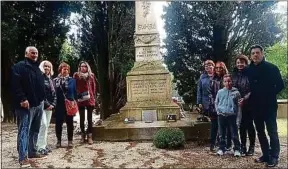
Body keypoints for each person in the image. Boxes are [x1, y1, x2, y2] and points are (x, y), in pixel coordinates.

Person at [245, 45, 284, 167]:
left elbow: (280, 85)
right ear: (250, 56)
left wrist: (267, 94)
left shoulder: (272, 68)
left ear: (262, 54)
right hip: (255, 107)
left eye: (257, 53)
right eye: (253, 53)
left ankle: (274, 156)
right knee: (260, 132)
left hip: (269, 106)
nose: (255, 55)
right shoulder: (248, 69)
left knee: (272, 131)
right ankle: (266, 154)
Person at [11, 46, 46, 167]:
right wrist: (22, 99)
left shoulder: (37, 68)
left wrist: (43, 100)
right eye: (32, 53)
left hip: (38, 104)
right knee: (24, 131)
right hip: (25, 105)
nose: (35, 55)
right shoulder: (19, 67)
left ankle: (32, 152)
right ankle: (23, 158)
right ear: (26, 53)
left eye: (36, 53)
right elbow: (15, 85)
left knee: (35, 130)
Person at [232, 55, 256, 157]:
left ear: (246, 63)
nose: (240, 64)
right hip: (238, 104)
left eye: (242, 62)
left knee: (250, 125)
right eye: (238, 62)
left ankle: (252, 146)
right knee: (241, 126)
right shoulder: (234, 75)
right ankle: (242, 146)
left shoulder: (250, 74)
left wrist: (245, 99)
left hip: (249, 103)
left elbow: (253, 89)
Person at [215, 74, 242, 157]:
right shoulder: (220, 92)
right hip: (221, 115)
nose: (227, 83)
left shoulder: (236, 92)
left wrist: (238, 119)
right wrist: (218, 111)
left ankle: (237, 149)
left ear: (232, 82)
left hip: (232, 116)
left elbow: (239, 106)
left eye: (229, 81)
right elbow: (216, 102)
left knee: (234, 133)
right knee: (221, 133)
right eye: (225, 81)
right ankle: (221, 148)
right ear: (223, 82)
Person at [54, 62, 77, 148]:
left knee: (70, 123)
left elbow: (75, 93)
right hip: (59, 104)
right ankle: (58, 141)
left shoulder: (72, 80)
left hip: (69, 105)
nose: (66, 70)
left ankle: (70, 141)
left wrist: (75, 103)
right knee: (58, 123)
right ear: (60, 70)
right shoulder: (55, 80)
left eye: (67, 69)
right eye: (64, 69)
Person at [73, 61, 96, 144]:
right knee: (81, 118)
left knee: (89, 119)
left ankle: (90, 136)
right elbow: (74, 86)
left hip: (89, 99)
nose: (83, 68)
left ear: (87, 67)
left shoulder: (91, 75)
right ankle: (83, 136)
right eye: (82, 66)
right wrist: (75, 97)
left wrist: (93, 97)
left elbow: (93, 87)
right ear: (79, 67)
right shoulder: (76, 75)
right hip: (81, 99)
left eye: (85, 66)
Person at [208, 61, 229, 151]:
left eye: (220, 68)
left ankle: (224, 144)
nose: (218, 69)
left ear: (224, 68)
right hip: (214, 107)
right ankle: (212, 144)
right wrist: (214, 103)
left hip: (225, 107)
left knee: (225, 127)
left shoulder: (227, 79)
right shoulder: (213, 79)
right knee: (214, 126)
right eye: (216, 68)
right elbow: (210, 94)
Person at [37, 60, 57, 155]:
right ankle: (39, 147)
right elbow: (41, 93)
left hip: (50, 107)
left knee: (46, 126)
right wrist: (47, 104)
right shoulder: (40, 78)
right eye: (45, 66)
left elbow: (55, 94)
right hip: (42, 106)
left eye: (49, 66)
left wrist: (53, 104)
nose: (47, 68)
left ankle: (43, 145)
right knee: (43, 125)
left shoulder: (51, 79)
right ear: (41, 67)